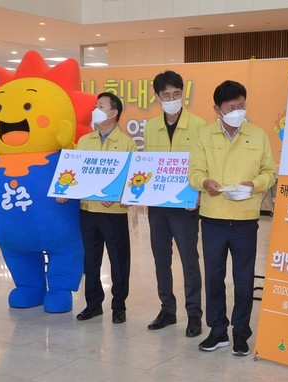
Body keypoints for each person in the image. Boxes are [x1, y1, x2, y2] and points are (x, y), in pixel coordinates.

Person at [188, 80, 276, 356]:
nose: (238, 111)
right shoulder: (204, 135)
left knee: (243, 278)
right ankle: (217, 331)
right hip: (213, 216)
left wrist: (255, 184)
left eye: (241, 106)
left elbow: (270, 172)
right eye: (231, 107)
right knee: (214, 277)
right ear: (217, 109)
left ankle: (240, 332)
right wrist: (206, 183)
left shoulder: (258, 135)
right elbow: (194, 172)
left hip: (245, 218)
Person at [144, 71, 207, 337]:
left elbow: (204, 166)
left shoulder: (199, 126)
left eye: (176, 94)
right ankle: (167, 310)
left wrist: (200, 195)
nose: (172, 99)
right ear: (158, 97)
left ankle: (194, 315)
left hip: (186, 206)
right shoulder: (150, 127)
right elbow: (147, 167)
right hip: (157, 205)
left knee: (189, 260)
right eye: (166, 96)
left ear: (183, 93)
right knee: (161, 259)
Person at [75, 92, 137, 324]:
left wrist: (121, 194)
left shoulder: (126, 143)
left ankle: (119, 305)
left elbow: (132, 179)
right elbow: (76, 174)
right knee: (90, 260)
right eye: (95, 105)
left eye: (100, 106)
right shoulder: (84, 141)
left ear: (113, 113)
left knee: (119, 260)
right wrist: (64, 191)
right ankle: (93, 304)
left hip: (113, 213)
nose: (95, 109)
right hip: (88, 211)